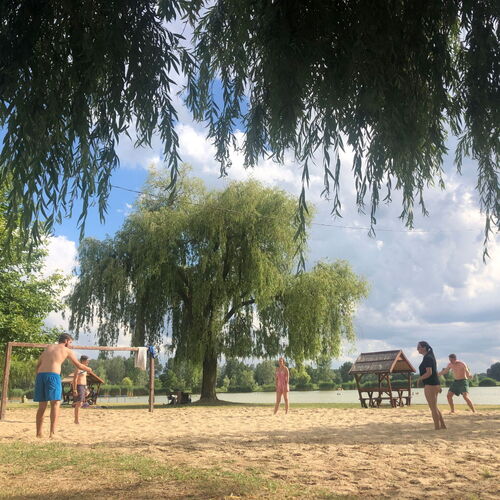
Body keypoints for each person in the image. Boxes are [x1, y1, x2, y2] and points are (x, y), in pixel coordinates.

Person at [34, 333, 93, 438]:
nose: (70, 345)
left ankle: (39, 433)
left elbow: (38, 365)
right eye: (70, 342)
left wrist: (40, 376)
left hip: (40, 376)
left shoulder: (49, 347)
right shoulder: (66, 350)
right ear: (66, 341)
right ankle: (52, 433)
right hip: (53, 375)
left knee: (42, 406)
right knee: (55, 404)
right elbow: (78, 365)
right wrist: (88, 369)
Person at [416, 341, 446, 430]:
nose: (417, 349)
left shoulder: (428, 358)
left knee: (433, 408)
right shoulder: (430, 356)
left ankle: (437, 428)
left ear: (424, 348)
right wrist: (439, 385)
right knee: (434, 407)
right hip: (434, 384)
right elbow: (434, 372)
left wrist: (419, 379)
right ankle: (443, 426)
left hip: (430, 385)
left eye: (418, 347)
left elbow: (429, 373)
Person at [72, 355, 91, 424]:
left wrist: (86, 388)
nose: (88, 362)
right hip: (79, 386)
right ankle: (76, 420)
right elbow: (75, 379)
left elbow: (84, 379)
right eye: (87, 360)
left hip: (83, 386)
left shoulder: (84, 369)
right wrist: (74, 389)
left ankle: (74, 403)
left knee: (81, 403)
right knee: (79, 403)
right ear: (83, 361)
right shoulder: (78, 369)